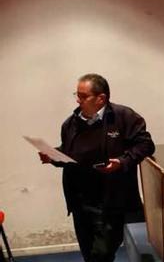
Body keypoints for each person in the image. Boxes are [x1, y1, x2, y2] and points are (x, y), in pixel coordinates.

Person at [39, 73, 155, 262]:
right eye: (76, 95)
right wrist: (52, 156)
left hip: (110, 201)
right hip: (79, 200)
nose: (78, 100)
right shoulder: (70, 124)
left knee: (101, 254)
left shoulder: (124, 117)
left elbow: (145, 145)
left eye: (83, 96)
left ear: (101, 98)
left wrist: (122, 161)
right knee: (89, 254)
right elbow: (70, 155)